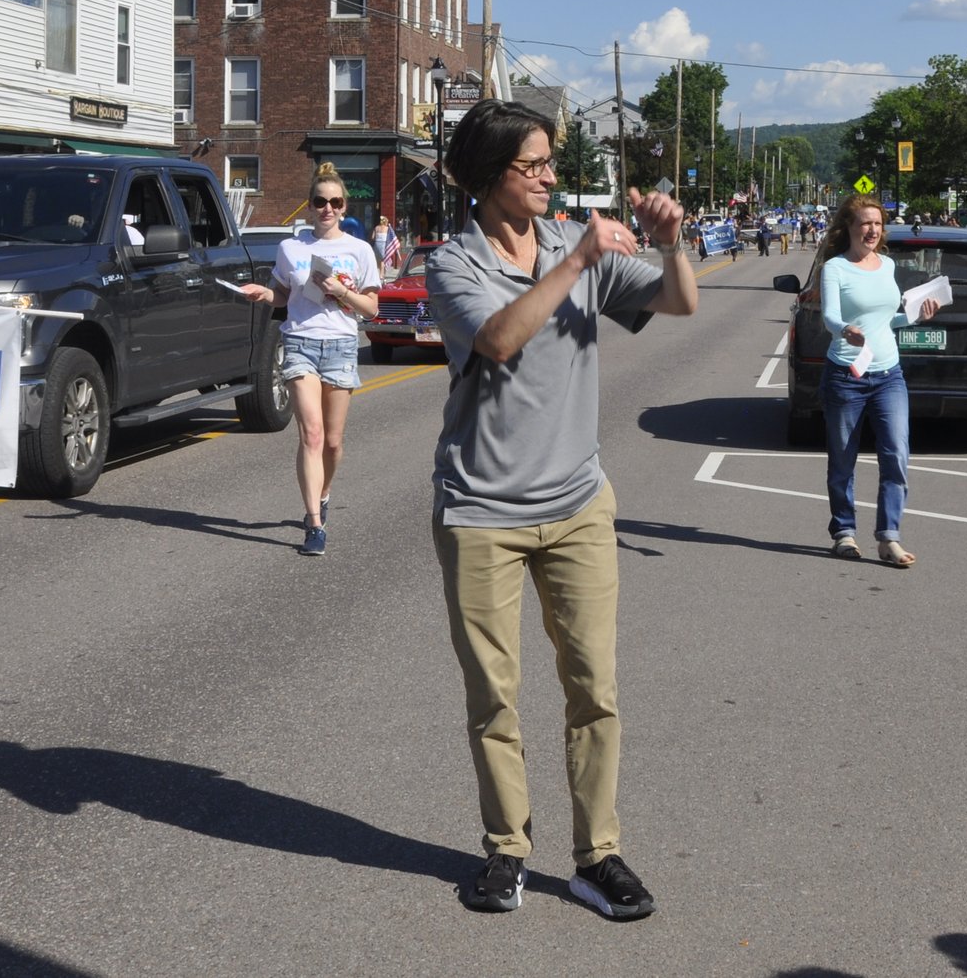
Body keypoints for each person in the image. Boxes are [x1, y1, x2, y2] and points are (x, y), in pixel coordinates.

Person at [423, 98, 697, 920]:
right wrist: (575, 261)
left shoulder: (571, 246)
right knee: (494, 698)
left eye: (550, 163)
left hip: (578, 504)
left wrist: (671, 240)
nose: (547, 177)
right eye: (531, 165)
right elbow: (500, 340)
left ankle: (597, 856)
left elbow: (680, 303)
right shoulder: (454, 263)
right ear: (486, 177)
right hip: (481, 514)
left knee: (594, 689)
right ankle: (507, 849)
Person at [240, 163, 380, 558]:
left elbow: (370, 309)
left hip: (340, 344)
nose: (327, 209)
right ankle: (313, 523)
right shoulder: (292, 248)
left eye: (335, 202)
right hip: (300, 342)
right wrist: (264, 295)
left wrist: (341, 292)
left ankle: (324, 494)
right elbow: (283, 295)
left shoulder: (359, 250)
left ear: (343, 206)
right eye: (320, 202)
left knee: (334, 443)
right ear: (310, 205)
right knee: (312, 435)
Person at [817, 190, 936, 567]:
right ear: (849, 226)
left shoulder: (886, 265)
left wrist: (915, 316)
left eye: (878, 224)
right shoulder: (834, 268)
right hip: (845, 376)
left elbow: (887, 319)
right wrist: (844, 330)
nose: (872, 229)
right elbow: (830, 318)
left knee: (896, 454)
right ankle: (844, 533)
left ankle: (889, 537)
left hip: (888, 376)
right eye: (865, 223)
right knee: (842, 460)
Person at [371, 213, 403, 282]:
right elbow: (390, 238)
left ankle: (379, 273)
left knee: (378, 260)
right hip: (384, 245)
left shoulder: (376, 227)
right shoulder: (387, 228)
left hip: (377, 244)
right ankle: (381, 275)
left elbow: (372, 237)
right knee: (383, 260)